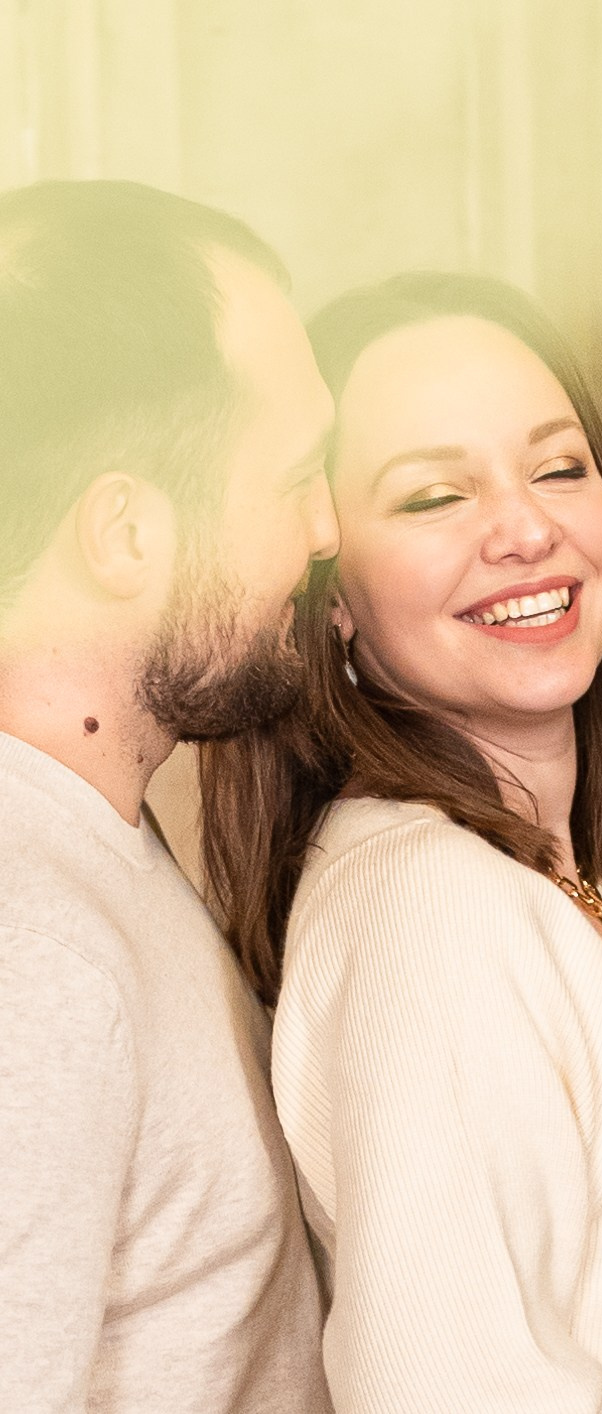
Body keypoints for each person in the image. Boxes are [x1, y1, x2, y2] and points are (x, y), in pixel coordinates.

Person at [200, 271, 602, 1414]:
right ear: (332, 592)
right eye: (434, 495)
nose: (525, 529)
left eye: (558, 467)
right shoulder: (433, 909)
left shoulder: (525, 881)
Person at [0, 181, 337, 1412]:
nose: (325, 526)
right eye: (293, 476)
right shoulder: (34, 959)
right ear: (125, 534)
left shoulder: (90, 843)